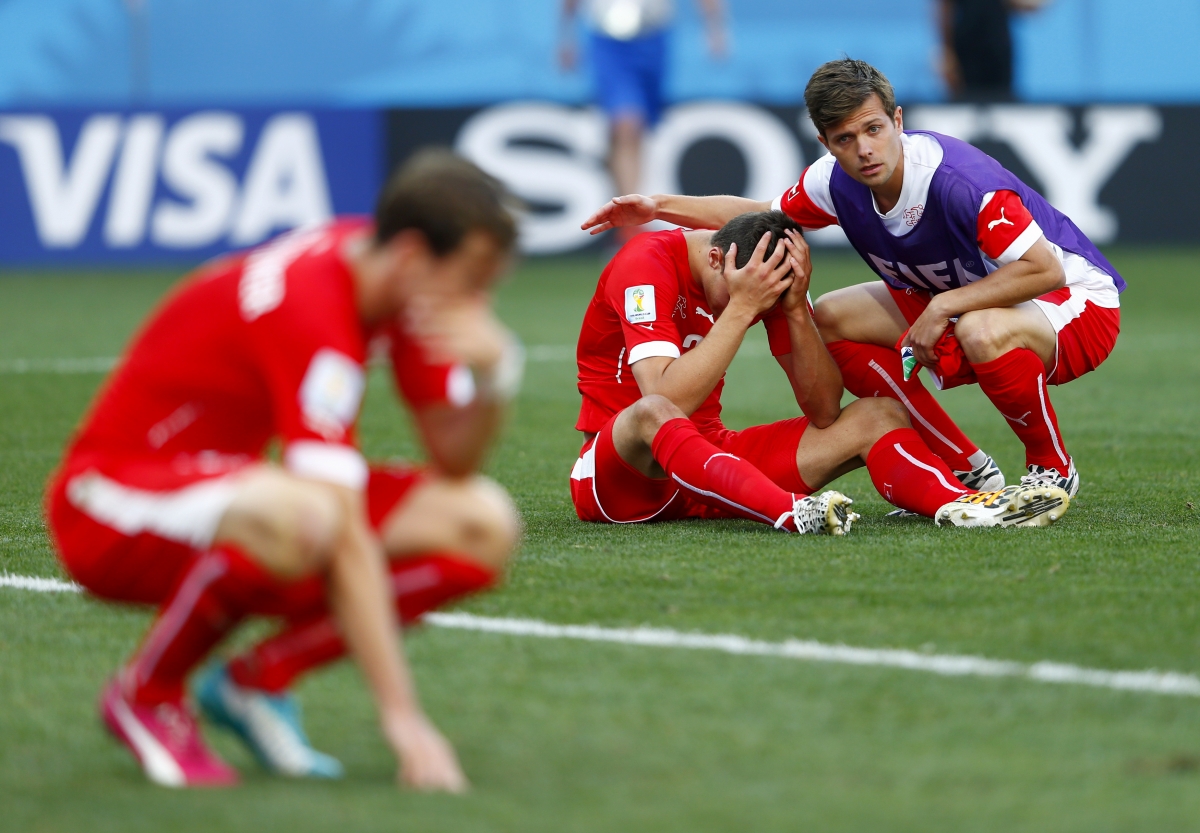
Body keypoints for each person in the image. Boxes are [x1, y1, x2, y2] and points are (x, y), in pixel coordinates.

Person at [44, 150, 524, 790]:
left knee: (482, 523)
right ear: (413, 256)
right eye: (473, 278)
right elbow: (342, 528)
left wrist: (495, 376)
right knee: (309, 515)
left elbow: (453, 458)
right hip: (107, 501)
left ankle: (255, 681)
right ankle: (146, 692)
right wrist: (404, 719)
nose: (479, 301)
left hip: (220, 491)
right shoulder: (311, 302)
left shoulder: (393, 280)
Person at [580, 58, 1121, 500]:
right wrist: (658, 205)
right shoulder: (833, 184)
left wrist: (941, 308)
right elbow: (757, 211)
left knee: (980, 330)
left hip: (1072, 301)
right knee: (831, 317)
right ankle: (966, 468)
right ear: (825, 142)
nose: (864, 149)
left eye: (874, 129)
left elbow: (1042, 268)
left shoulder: (959, 184)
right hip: (968, 301)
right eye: (844, 138)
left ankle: (1051, 468)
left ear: (898, 120)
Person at [570, 209, 1071, 533]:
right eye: (745, 292)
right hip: (623, 475)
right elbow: (663, 401)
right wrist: (744, 308)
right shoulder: (646, 265)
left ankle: (965, 506)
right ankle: (787, 511)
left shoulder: (763, 277)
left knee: (878, 414)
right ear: (717, 258)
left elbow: (824, 408)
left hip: (714, 466)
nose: (754, 303)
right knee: (653, 410)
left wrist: (791, 310)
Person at [559, 0, 725, 242]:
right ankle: (629, 221)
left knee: (637, 129)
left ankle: (622, 194)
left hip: (653, 37)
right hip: (608, 39)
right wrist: (566, 36)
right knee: (627, 123)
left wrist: (715, 28)